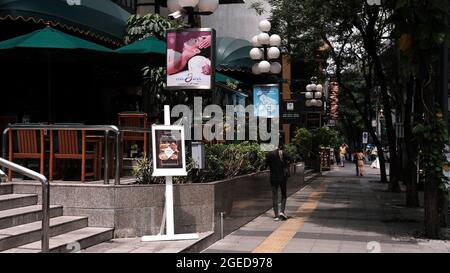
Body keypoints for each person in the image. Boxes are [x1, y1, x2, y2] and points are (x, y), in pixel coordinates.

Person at [265, 144, 291, 221]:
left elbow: (266, 165)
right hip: (282, 177)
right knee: (283, 194)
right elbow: (291, 158)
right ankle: (282, 211)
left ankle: (276, 216)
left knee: (274, 196)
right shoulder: (283, 153)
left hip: (273, 178)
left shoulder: (268, 154)